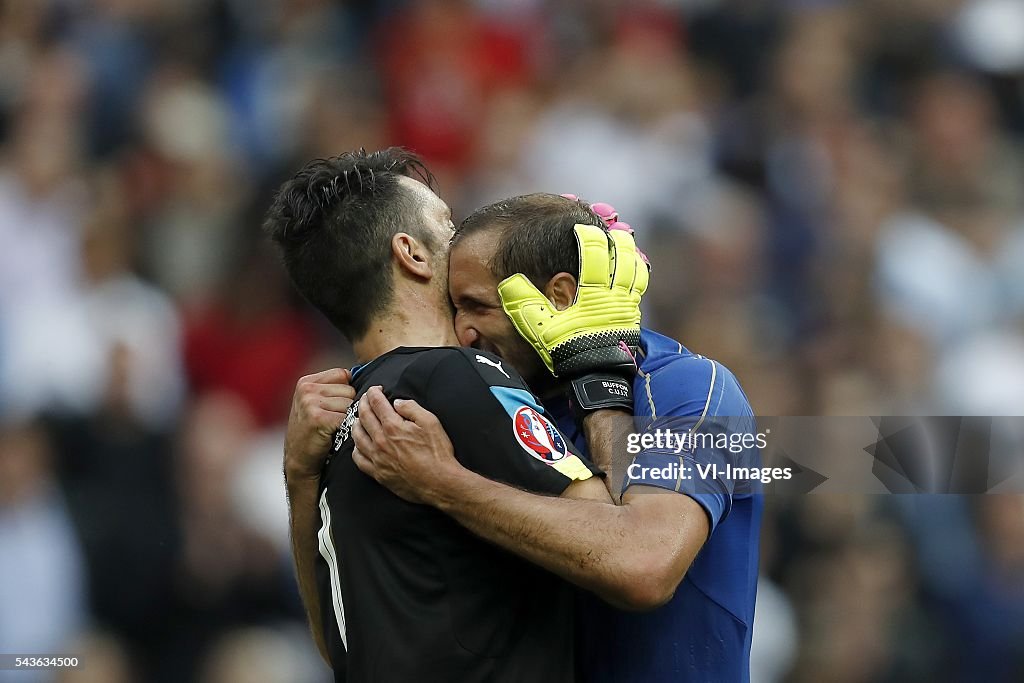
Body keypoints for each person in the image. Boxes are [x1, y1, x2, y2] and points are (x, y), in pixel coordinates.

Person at [327, 193, 763, 682]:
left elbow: (642, 566)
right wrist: (301, 474)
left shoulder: (694, 390)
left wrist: (443, 484)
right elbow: (349, 637)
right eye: (455, 308)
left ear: (558, 295)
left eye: (477, 306)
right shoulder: (490, 403)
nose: (463, 332)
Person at [263, 148, 648, 682]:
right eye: (447, 224)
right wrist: (601, 370)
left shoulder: (338, 416)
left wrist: (299, 477)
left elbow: (335, 646)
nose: (463, 238)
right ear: (412, 254)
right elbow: (624, 549)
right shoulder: (456, 377)